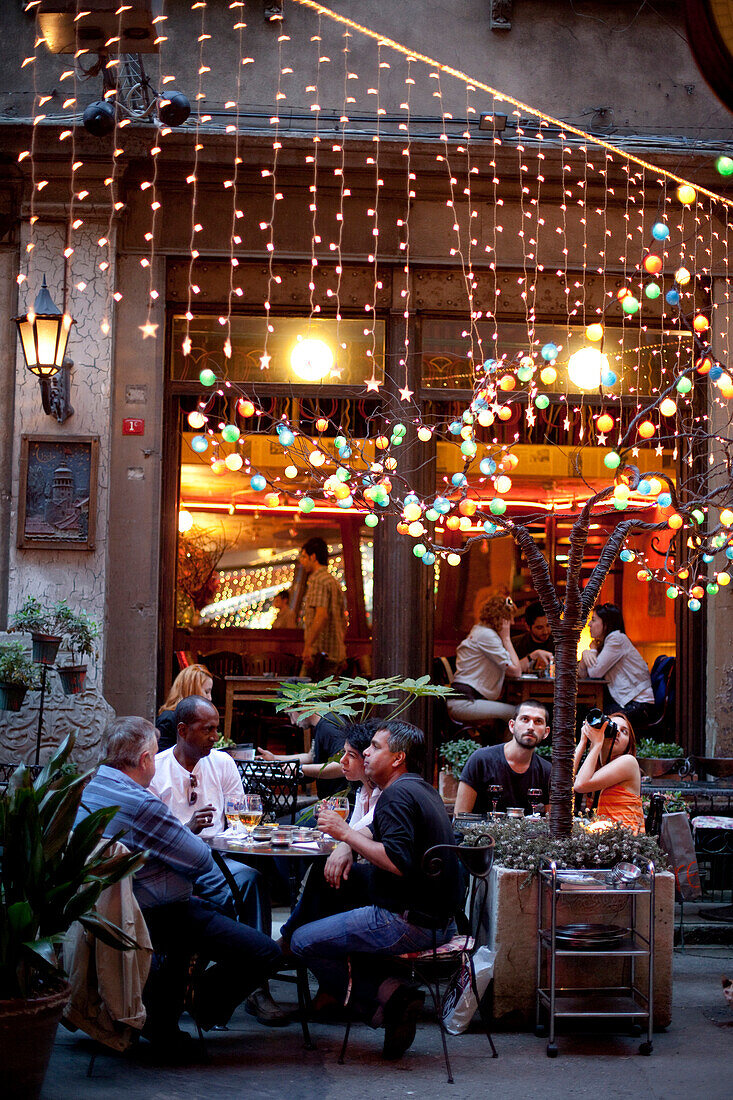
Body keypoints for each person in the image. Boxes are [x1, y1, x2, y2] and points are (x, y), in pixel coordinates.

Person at [75, 716, 282, 1050]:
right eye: (153, 755)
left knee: (215, 903)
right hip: (154, 913)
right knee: (266, 952)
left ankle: (163, 1015)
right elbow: (200, 859)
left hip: (109, 908)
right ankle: (200, 1003)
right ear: (144, 760)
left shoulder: (95, 784)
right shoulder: (141, 802)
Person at [291, 720, 462, 1061]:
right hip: (441, 918)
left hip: (407, 923)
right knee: (334, 889)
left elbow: (397, 862)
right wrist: (349, 845)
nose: (366, 753)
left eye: (375, 747)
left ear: (398, 758)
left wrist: (345, 834)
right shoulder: (420, 789)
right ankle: (391, 993)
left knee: (302, 942)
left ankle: (387, 1001)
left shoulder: (395, 797)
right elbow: (385, 837)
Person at [149, 695, 287, 1026]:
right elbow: (152, 836)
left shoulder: (222, 763)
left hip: (217, 859)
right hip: (170, 865)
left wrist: (232, 832)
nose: (215, 736)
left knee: (251, 880)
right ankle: (206, 982)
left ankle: (255, 986)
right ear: (182, 730)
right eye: (207, 729)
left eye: (216, 728)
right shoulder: (157, 770)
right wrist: (187, 830)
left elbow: (240, 817)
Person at [279, 721, 381, 944]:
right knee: (322, 871)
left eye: (350, 756)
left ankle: (291, 941)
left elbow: (359, 831)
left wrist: (343, 839)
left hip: (387, 887)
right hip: (365, 872)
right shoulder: (362, 790)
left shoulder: (385, 793)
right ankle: (298, 939)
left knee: (321, 873)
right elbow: (350, 833)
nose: (342, 762)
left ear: (368, 758)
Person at [453, 700, 552, 815]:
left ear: (546, 732)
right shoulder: (481, 760)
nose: (530, 727)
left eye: (538, 721)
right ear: (512, 725)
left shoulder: (546, 771)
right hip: (481, 833)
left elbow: (554, 822)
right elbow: (460, 817)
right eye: (525, 719)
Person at [447, 594, 522, 729]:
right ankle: (508, 751)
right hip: (465, 702)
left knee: (515, 713)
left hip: (463, 699)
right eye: (510, 618)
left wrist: (531, 657)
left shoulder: (481, 631)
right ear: (502, 619)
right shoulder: (487, 636)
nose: (512, 623)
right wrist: (507, 639)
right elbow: (516, 672)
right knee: (517, 714)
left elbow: (515, 668)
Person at [579, 603, 656, 727]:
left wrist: (591, 650)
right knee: (584, 712)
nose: (589, 624)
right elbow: (584, 675)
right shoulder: (609, 642)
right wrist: (585, 654)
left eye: (593, 620)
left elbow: (594, 673)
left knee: (587, 716)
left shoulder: (616, 639)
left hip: (639, 706)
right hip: (630, 703)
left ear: (606, 623)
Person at [573, 710, 644, 833]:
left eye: (624, 731)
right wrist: (583, 741)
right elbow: (562, 781)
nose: (617, 733)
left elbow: (580, 785)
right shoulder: (595, 769)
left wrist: (597, 743)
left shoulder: (628, 762)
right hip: (605, 842)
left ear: (628, 744)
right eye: (612, 727)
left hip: (626, 844)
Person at [257, 709, 347, 799]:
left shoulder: (328, 728)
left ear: (300, 706)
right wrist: (274, 758)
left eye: (290, 714)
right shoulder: (320, 725)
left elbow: (342, 766)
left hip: (339, 801)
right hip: (329, 800)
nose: (292, 722)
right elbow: (311, 757)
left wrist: (300, 769)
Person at [299, 535, 347, 676]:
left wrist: (308, 647)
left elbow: (321, 615)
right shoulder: (333, 581)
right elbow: (342, 620)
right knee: (327, 697)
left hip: (320, 654)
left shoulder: (317, 580)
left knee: (302, 695)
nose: (301, 561)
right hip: (335, 652)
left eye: (303, 557)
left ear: (313, 557)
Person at [156, 664, 213, 752]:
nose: (210, 698)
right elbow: (163, 758)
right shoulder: (169, 719)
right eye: (206, 692)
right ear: (192, 691)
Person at [513, 599, 555, 671]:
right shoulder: (516, 644)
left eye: (548, 626)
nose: (545, 631)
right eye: (539, 627)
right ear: (528, 627)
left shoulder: (560, 643)